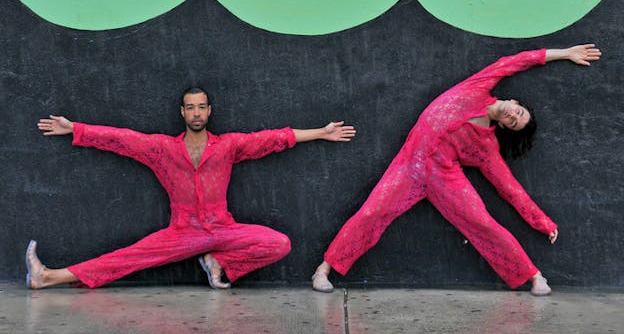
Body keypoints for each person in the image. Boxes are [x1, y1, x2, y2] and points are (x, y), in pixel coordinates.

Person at [311, 44, 601, 296]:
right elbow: (517, 60)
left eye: (514, 123)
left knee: (482, 223)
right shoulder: (478, 86)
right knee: (371, 213)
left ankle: (534, 277)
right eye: (518, 113)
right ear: (514, 102)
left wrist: (543, 223)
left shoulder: (486, 148)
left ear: (504, 127)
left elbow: (511, 190)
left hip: (444, 178)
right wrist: (565, 54)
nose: (513, 116)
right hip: (409, 165)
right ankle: (323, 271)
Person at [27, 87, 356, 289]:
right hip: (182, 232)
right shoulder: (162, 149)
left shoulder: (227, 146)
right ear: (182, 112)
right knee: (127, 258)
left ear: (209, 111)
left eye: (202, 107)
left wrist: (320, 132)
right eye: (191, 107)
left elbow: (272, 139)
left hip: (223, 230)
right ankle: (48, 277)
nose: (197, 112)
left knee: (279, 243)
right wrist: (76, 129)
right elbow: (121, 139)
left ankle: (219, 264)